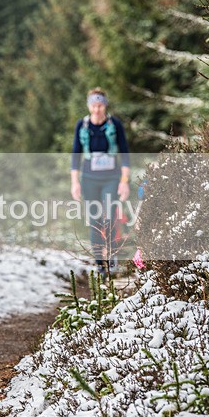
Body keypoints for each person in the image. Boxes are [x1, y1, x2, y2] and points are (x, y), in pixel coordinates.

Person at [70, 88, 130, 277]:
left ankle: (111, 258)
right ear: (89, 106)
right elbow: (76, 155)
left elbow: (125, 153)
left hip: (111, 178)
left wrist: (124, 181)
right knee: (95, 221)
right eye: (94, 105)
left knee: (109, 218)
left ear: (105, 106)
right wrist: (75, 183)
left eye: (100, 105)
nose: (97, 109)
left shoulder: (115, 125)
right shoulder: (82, 126)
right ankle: (99, 264)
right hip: (89, 179)